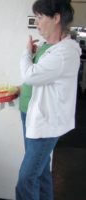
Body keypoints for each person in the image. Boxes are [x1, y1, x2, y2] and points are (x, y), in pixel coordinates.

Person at [16, 0, 81, 199]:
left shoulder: (65, 51)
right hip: (30, 114)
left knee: (26, 179)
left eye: (40, 17)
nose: (37, 23)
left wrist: (26, 52)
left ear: (56, 18)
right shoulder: (47, 47)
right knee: (42, 172)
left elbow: (30, 75)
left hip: (45, 122)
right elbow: (38, 81)